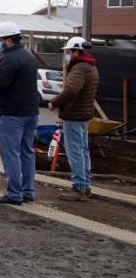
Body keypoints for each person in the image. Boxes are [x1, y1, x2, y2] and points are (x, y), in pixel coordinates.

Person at [0, 21, 39, 205]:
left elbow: (1, 84)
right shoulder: (29, 56)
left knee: (11, 153)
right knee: (26, 151)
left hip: (12, 113)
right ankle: (28, 191)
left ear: (8, 40)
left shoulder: (8, 59)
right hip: (31, 111)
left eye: (0, 40)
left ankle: (14, 193)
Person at [49, 36, 99, 202]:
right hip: (84, 115)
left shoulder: (78, 68)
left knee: (75, 151)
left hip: (74, 116)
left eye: (69, 52)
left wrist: (54, 102)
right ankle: (85, 185)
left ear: (76, 51)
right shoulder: (91, 66)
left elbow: (71, 90)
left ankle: (79, 187)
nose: (67, 55)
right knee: (83, 151)